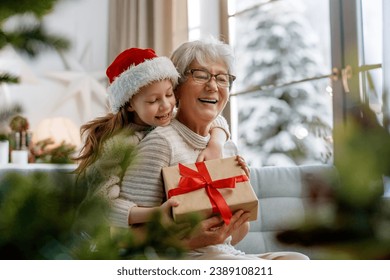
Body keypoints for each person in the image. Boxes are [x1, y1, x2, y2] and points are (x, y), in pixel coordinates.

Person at [117, 38, 309, 260]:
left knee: (297, 260)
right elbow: (123, 237)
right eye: (200, 74)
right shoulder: (161, 142)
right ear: (176, 87)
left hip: (224, 254)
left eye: (222, 78)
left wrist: (237, 210)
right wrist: (190, 240)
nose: (213, 86)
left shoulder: (224, 145)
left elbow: (233, 236)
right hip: (178, 260)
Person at [74, 47, 231, 225]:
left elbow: (217, 121)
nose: (166, 106)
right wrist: (155, 214)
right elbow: (101, 204)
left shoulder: (165, 119)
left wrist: (216, 143)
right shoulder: (117, 145)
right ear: (130, 104)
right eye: (153, 100)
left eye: (169, 94)